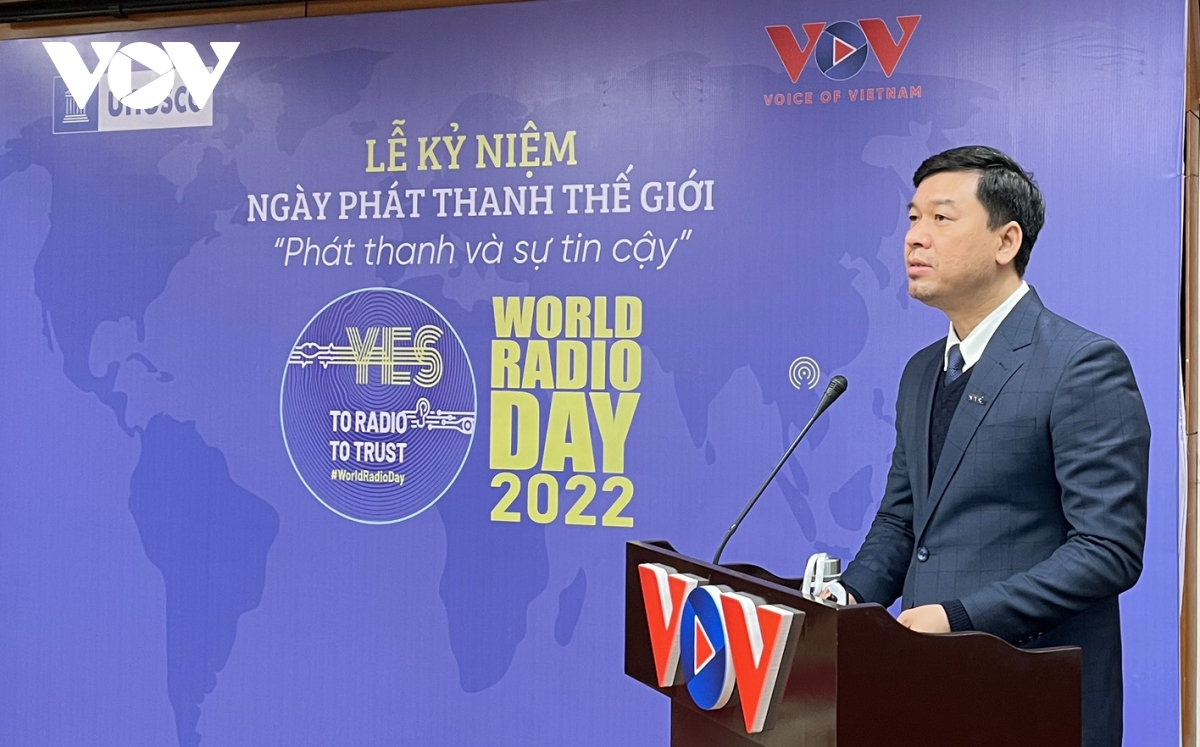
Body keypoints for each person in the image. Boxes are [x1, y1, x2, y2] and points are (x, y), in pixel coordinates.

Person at [837, 145, 1150, 747]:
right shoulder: (921, 371)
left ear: (1006, 242)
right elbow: (902, 521)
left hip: (1031, 696)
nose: (915, 237)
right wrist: (846, 598)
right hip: (925, 692)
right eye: (913, 218)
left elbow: (1107, 550)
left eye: (941, 218)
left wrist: (961, 619)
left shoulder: (1082, 364)